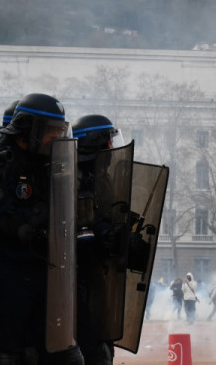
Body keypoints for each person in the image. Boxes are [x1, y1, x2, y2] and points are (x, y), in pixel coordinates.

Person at [0, 93, 83, 365]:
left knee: (58, 355)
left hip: (43, 272)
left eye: (60, 131)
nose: (56, 138)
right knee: (3, 356)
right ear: (29, 129)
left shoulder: (48, 164)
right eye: (51, 131)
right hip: (5, 275)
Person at [72, 113, 126, 365]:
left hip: (97, 274)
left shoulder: (101, 176)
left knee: (103, 346)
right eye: (108, 142)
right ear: (94, 143)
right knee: (92, 349)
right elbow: (76, 227)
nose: (112, 148)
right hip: (78, 279)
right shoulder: (74, 177)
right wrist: (98, 233)